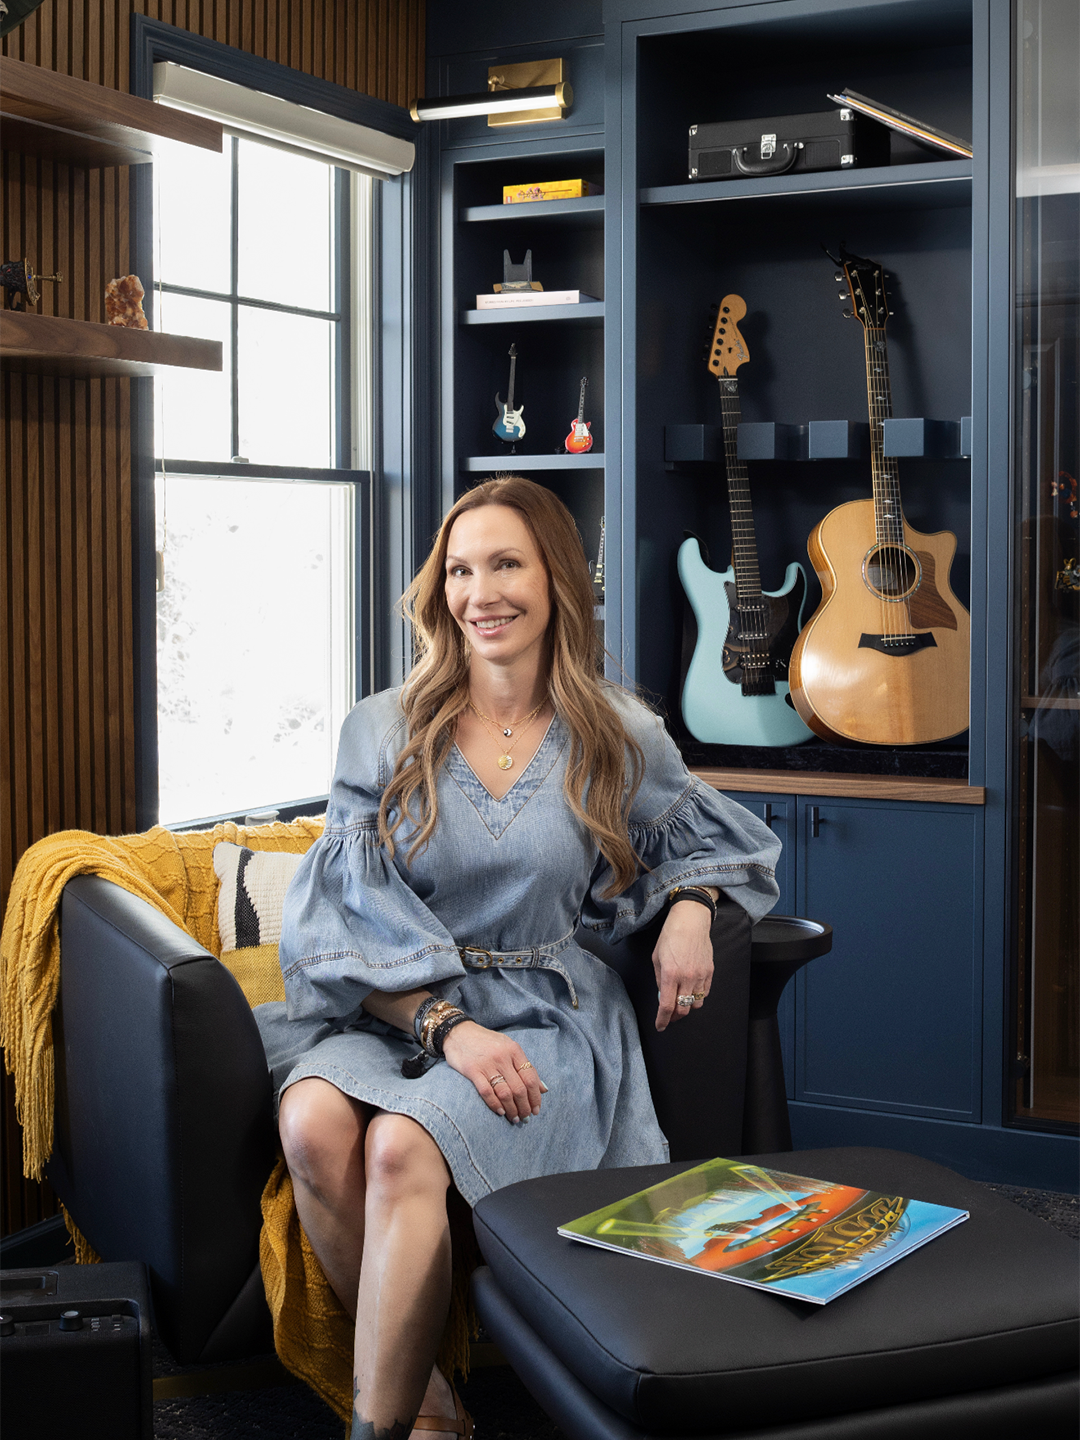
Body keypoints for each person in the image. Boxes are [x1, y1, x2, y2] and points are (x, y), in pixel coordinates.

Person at [254, 476, 780, 1440]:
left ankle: (380, 1427)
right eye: (459, 569)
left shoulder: (619, 732)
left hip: (545, 1014)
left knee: (401, 1146)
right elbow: (341, 927)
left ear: (556, 581)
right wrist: (443, 1027)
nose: (479, 592)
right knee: (312, 1127)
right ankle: (427, 1408)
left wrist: (694, 906)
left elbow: (709, 842)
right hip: (392, 1008)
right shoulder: (381, 728)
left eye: (505, 564)